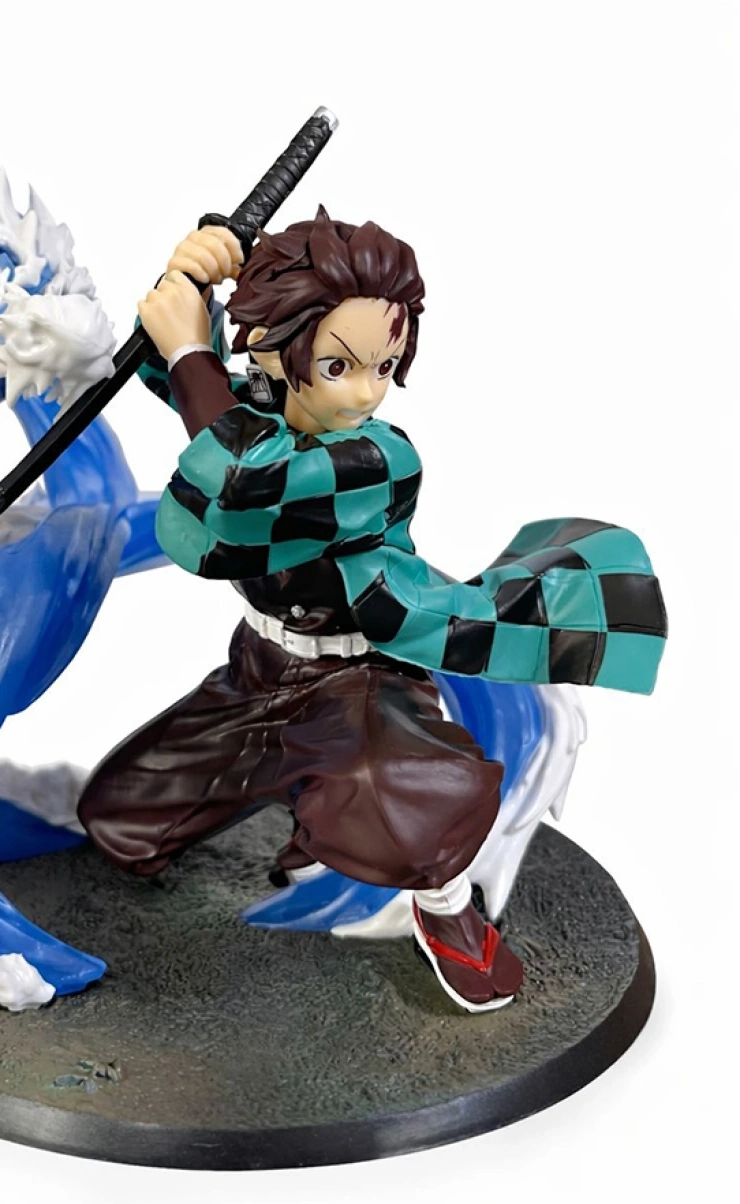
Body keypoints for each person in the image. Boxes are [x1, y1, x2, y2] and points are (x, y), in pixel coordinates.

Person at [76, 209, 666, 1013]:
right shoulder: (255, 411)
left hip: (355, 685)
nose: (364, 390)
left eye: (383, 366)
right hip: (256, 673)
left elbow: (244, 481)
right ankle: (301, 808)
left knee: (413, 824)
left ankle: (446, 909)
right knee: (120, 820)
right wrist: (192, 284)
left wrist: (190, 350)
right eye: (337, 365)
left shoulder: (377, 459)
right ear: (271, 350)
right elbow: (180, 381)